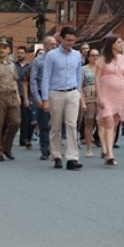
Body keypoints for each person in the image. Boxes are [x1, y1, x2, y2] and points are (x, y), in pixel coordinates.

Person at [41, 26, 85, 171]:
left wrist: (78, 94)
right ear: (61, 39)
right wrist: (45, 99)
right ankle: (56, 156)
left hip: (72, 93)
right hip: (56, 93)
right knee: (56, 126)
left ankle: (72, 158)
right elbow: (46, 77)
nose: (70, 43)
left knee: (72, 125)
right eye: (68, 40)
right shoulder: (51, 55)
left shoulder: (77, 55)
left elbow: (79, 75)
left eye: (73, 40)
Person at [96, 35, 124, 166]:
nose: (121, 44)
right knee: (109, 122)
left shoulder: (122, 58)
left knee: (115, 125)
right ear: (112, 44)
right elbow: (97, 78)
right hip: (106, 94)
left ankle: (108, 151)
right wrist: (99, 96)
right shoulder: (102, 60)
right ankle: (109, 154)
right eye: (119, 42)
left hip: (120, 95)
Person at [31, 36, 57, 160]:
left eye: (55, 44)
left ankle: (55, 149)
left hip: (56, 93)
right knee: (44, 124)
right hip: (42, 94)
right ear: (45, 45)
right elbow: (33, 80)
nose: (54, 46)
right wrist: (37, 98)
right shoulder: (38, 61)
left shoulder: (58, 59)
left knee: (56, 124)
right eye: (51, 44)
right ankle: (45, 150)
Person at [81, 48, 99, 158]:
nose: (95, 57)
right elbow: (80, 85)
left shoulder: (102, 69)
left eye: (97, 55)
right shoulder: (83, 69)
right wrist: (82, 100)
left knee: (102, 123)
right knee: (90, 122)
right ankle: (89, 148)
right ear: (88, 57)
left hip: (101, 96)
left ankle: (105, 148)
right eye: (92, 55)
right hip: (89, 97)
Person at [14, 46, 33, 150]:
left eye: (22, 53)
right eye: (19, 53)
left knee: (27, 118)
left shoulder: (30, 66)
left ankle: (25, 138)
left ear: (25, 54)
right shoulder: (13, 66)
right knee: (16, 119)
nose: (20, 54)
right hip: (15, 94)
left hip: (26, 95)